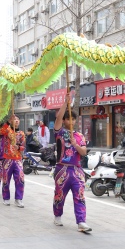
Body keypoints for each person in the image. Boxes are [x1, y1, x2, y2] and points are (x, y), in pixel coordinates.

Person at [52, 93, 91, 233]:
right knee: (59, 194)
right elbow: (58, 118)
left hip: (77, 170)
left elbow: (84, 152)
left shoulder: (79, 136)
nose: (71, 121)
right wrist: (65, 103)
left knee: (79, 195)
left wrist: (75, 145)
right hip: (62, 169)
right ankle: (57, 216)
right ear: (64, 121)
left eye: (73, 119)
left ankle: (81, 221)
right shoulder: (59, 133)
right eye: (68, 119)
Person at [0, 115, 26, 207]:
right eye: (14, 119)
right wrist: (8, 122)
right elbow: (1, 131)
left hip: (18, 159)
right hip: (7, 158)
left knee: (20, 178)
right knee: (6, 179)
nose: (16, 121)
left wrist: (18, 147)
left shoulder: (21, 133)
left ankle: (18, 199)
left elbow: (23, 147)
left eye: (18, 119)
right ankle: (6, 198)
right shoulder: (7, 130)